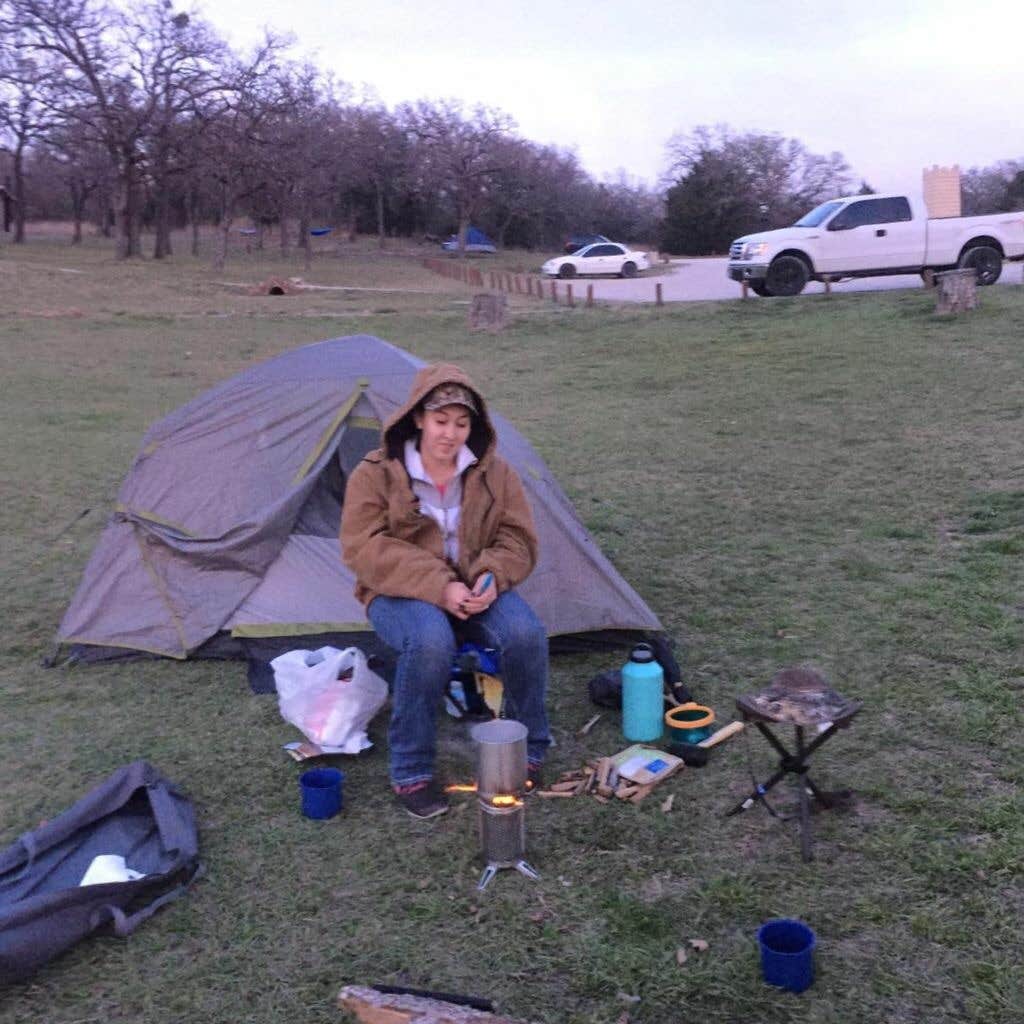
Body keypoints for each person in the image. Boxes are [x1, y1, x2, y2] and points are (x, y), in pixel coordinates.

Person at [340, 363, 550, 819]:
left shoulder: (495, 474)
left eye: (461, 423)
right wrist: (440, 586)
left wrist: (493, 576)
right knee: (431, 642)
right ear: (417, 418)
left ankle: (528, 747)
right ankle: (411, 768)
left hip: (475, 588)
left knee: (525, 634)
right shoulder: (375, 474)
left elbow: (518, 538)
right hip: (398, 592)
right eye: (440, 421)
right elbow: (364, 549)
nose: (450, 434)